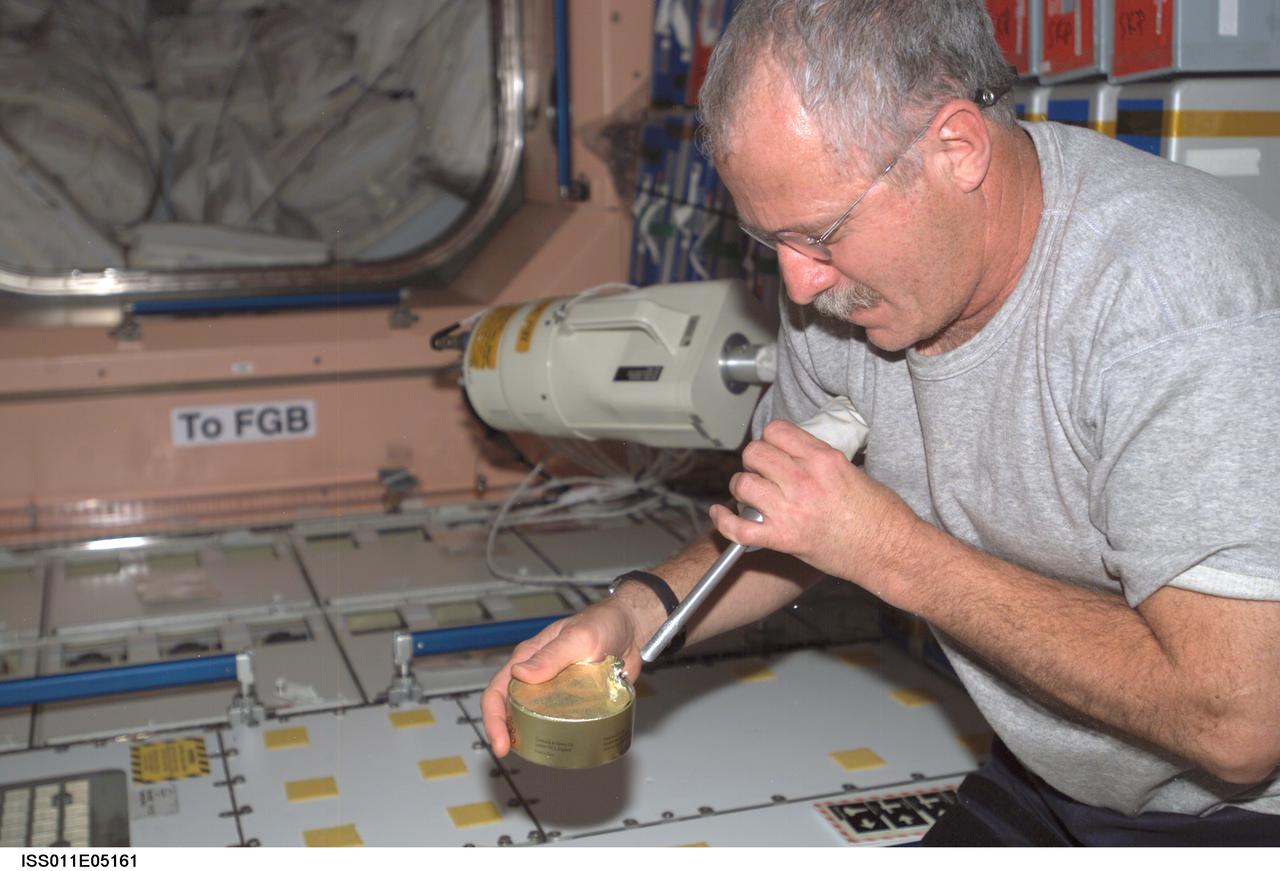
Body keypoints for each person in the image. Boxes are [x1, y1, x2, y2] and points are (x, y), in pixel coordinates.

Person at [482, 0, 1280, 845]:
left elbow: (1237, 722)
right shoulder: (845, 292)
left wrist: (889, 550)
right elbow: (796, 525)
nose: (797, 286)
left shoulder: (1176, 308)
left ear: (956, 148)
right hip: (1059, 772)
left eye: (820, 235)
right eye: (769, 239)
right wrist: (632, 616)